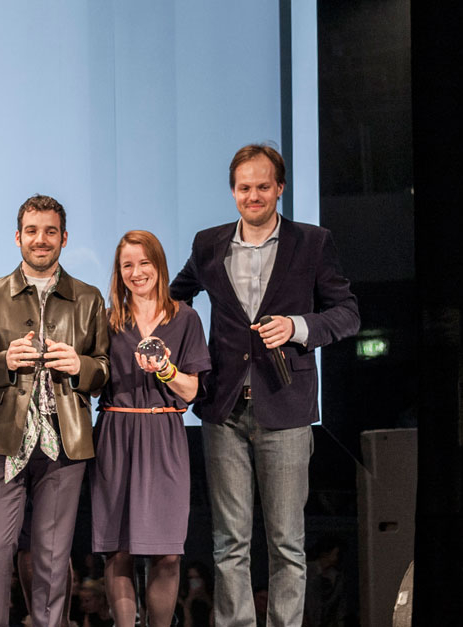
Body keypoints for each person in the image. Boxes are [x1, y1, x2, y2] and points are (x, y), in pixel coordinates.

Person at [170, 144, 360, 627]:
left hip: (286, 406)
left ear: (279, 188)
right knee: (228, 541)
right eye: (243, 187)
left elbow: (347, 314)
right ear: (233, 191)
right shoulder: (208, 244)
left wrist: (298, 327)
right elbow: (176, 299)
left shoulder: (312, 242)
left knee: (286, 541)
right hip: (224, 406)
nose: (252, 196)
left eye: (262, 186)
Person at [0, 194, 110, 627]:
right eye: (32, 231)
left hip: (65, 443)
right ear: (17, 237)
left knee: (52, 555)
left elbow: (105, 369)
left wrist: (81, 366)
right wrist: (3, 360)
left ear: (64, 238)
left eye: (50, 232)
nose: (40, 240)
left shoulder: (88, 297)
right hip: (7, 440)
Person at [91, 230, 211, 627]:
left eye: (144, 263)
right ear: (118, 271)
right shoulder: (107, 321)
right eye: (128, 265)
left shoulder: (185, 318)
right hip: (116, 435)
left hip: (164, 437)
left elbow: (193, 390)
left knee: (167, 552)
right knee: (118, 549)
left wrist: (166, 370)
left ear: (158, 265)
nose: (137, 272)